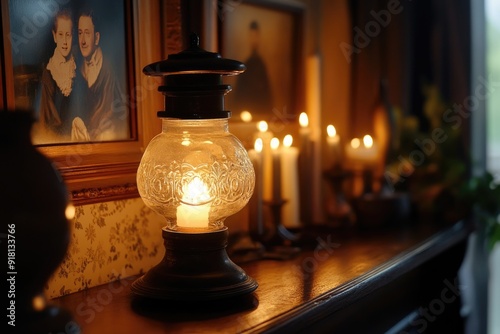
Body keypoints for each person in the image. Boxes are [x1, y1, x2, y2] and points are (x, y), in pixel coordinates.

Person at [74, 8, 127, 141]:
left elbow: (108, 110)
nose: (83, 41)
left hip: (103, 133)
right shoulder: (74, 65)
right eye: (80, 33)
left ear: (96, 37)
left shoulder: (107, 69)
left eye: (87, 33)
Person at [37, 8, 77, 141]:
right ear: (54, 36)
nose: (65, 41)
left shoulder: (77, 66)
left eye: (68, 35)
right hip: (58, 139)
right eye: (60, 34)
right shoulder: (49, 74)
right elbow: (47, 121)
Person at [231, 21, 273, 116]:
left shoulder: (261, 65)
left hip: (260, 111)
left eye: (255, 36)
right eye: (251, 36)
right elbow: (239, 95)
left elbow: (267, 95)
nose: (253, 39)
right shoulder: (245, 64)